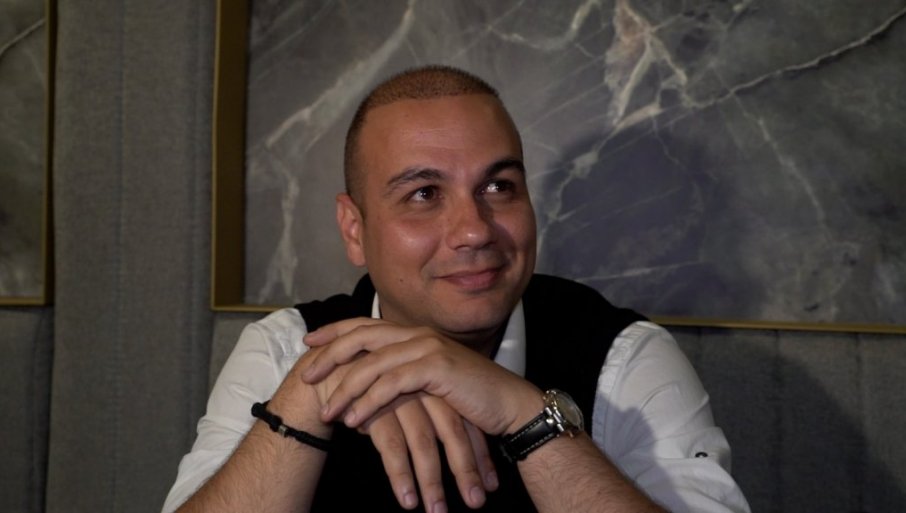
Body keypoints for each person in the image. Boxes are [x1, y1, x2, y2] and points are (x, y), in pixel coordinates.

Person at [163, 65, 750, 513]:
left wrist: (526, 414)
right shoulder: (285, 349)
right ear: (354, 229)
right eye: (423, 194)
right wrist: (307, 401)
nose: (474, 230)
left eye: (498, 187)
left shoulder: (624, 356)